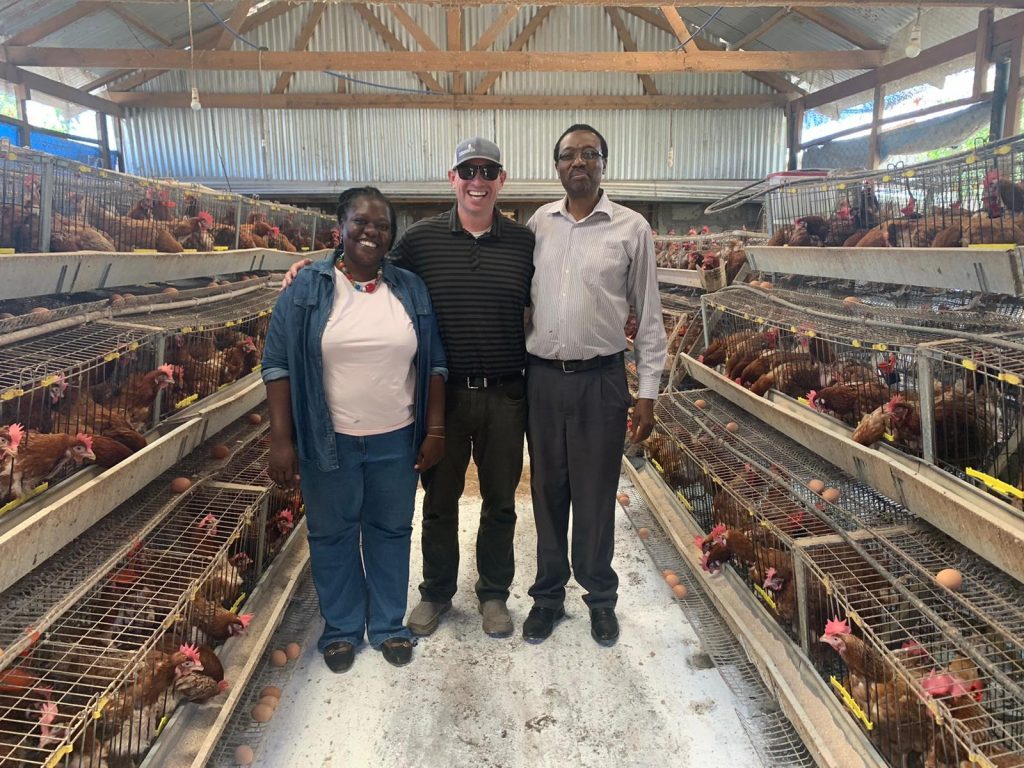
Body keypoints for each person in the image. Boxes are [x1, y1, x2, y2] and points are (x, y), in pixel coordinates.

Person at [282, 139, 535, 640]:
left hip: (507, 393)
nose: (477, 180)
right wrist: (309, 267)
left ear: (502, 179)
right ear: (453, 177)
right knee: (439, 499)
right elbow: (361, 258)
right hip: (444, 393)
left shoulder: (525, 243)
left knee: (501, 500)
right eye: (468, 171)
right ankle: (437, 591)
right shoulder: (419, 240)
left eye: (488, 171)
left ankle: (493, 594)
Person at [262, 186, 447, 672]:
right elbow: (277, 365)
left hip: (397, 437)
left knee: (390, 531)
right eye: (361, 222)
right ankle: (342, 628)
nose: (371, 232)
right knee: (332, 534)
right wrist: (282, 439)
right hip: (329, 441)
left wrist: (434, 430)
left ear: (392, 234)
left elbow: (435, 365)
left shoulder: (409, 288)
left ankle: (388, 625)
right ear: (340, 228)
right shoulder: (305, 289)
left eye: (382, 225)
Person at [521, 124, 667, 647]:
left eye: (588, 154)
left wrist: (647, 393)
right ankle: (548, 597)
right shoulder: (539, 223)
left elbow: (649, 317)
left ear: (604, 162)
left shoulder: (632, 229)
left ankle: (600, 599)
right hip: (541, 379)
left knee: (597, 494)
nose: (577, 162)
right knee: (547, 492)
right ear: (556, 166)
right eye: (567, 155)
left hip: (602, 380)